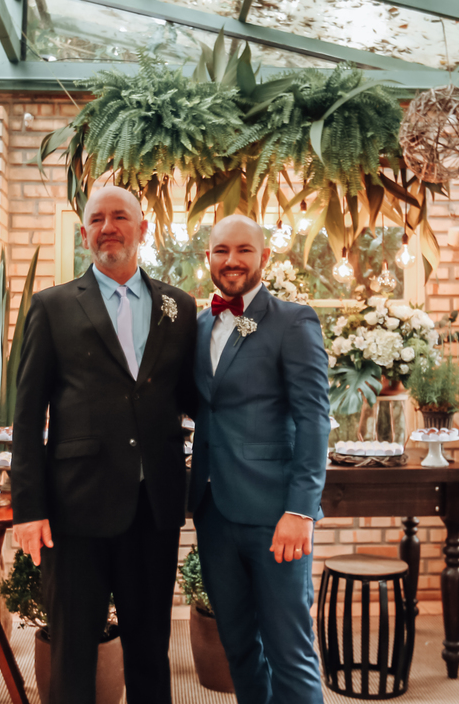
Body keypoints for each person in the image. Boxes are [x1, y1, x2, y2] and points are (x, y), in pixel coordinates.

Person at [11, 186, 197, 704]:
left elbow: (193, 398)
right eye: (97, 219)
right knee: (72, 654)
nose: (108, 227)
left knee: (150, 651)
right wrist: (29, 508)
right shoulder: (52, 307)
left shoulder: (179, 307)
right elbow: (26, 416)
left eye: (120, 217)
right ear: (85, 232)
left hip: (153, 507)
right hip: (75, 511)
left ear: (143, 228)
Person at [188, 214, 330, 704]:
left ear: (264, 257)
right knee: (240, 651)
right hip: (213, 513)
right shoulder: (200, 324)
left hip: (276, 517)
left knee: (290, 652)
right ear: (208, 256)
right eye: (221, 250)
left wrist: (300, 511)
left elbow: (314, 420)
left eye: (244, 250)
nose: (232, 260)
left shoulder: (294, 321)